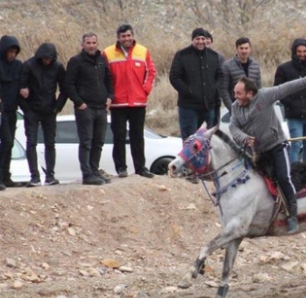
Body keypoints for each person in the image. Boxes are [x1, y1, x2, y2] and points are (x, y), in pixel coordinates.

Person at [229, 71, 306, 234]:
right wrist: (244, 138)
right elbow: (233, 127)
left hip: (277, 145)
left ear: (250, 94)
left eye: (238, 93)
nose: (235, 96)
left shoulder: (264, 96)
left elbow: (285, 88)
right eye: (235, 92)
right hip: (258, 152)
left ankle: (293, 215)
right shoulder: (235, 107)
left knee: (283, 178)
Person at [103, 24, 156, 179]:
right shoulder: (107, 53)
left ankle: (140, 168)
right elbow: (104, 76)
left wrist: (145, 90)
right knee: (118, 137)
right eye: (123, 36)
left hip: (138, 102)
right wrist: (109, 95)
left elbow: (151, 71)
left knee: (137, 137)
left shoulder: (143, 51)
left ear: (133, 35)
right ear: (118, 38)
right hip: (118, 103)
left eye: (129, 35)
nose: (126, 39)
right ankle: (121, 168)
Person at [63, 33, 114, 186]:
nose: (91, 46)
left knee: (98, 142)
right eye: (88, 43)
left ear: (97, 43)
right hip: (86, 108)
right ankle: (87, 174)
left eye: (94, 42)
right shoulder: (76, 61)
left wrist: (110, 97)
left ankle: (94, 170)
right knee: (86, 142)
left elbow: (108, 79)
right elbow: (68, 84)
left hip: (101, 107)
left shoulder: (101, 59)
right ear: (82, 44)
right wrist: (79, 103)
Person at [18, 43, 68, 187]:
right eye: (44, 58)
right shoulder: (28, 66)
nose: (47, 61)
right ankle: (34, 176)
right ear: (40, 57)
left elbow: (65, 89)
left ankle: (50, 176)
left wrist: (57, 107)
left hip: (49, 110)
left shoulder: (57, 67)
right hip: (32, 109)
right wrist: (27, 110)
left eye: (49, 59)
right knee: (31, 142)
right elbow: (20, 87)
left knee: (50, 143)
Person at [274, 38, 306, 164]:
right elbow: (278, 90)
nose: (302, 54)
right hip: (294, 115)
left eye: (304, 51)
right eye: (299, 51)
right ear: (294, 52)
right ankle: (293, 172)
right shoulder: (283, 69)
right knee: (295, 145)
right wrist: (289, 103)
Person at [169, 28, 223, 141]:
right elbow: (174, 77)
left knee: (207, 141)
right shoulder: (182, 55)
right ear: (192, 40)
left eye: (203, 38)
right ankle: (190, 160)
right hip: (188, 107)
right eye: (197, 39)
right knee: (190, 141)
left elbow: (220, 75)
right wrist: (188, 91)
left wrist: (213, 89)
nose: (200, 41)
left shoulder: (213, 56)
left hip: (209, 106)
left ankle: (205, 159)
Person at [0, 35, 22, 190]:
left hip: (12, 109)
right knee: (6, 142)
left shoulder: (18, 66)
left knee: (10, 144)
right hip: (1, 110)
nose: (12, 55)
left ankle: (5, 176)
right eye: (10, 52)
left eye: (14, 52)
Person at [220, 37, 261, 108]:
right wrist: (231, 108)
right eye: (241, 48)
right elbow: (224, 90)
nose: (244, 51)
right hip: (236, 107)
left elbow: (259, 88)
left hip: (253, 108)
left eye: (246, 48)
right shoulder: (227, 66)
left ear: (250, 49)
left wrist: (259, 106)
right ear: (237, 49)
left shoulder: (255, 65)